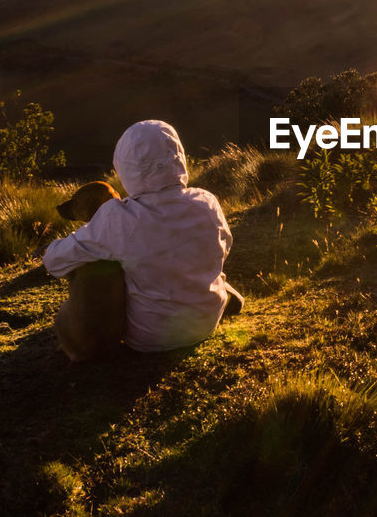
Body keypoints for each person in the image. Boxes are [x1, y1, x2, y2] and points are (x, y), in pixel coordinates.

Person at [43, 119, 241, 353]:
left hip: (150, 338)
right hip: (207, 324)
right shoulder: (207, 202)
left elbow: (54, 261)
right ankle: (217, 292)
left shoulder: (120, 217)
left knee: (102, 261)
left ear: (124, 165)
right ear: (179, 156)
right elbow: (224, 246)